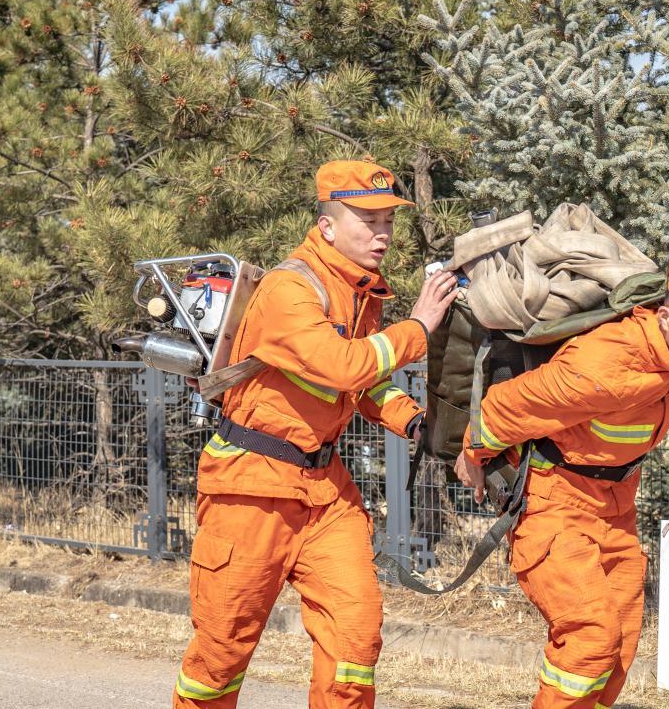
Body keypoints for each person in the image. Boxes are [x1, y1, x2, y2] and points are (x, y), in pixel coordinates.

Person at [174, 160, 458, 708]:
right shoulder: (291, 288)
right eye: (368, 220)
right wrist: (420, 327)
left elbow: (365, 383)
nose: (382, 234)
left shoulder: (361, 292)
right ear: (327, 226)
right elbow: (342, 366)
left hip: (325, 491)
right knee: (220, 657)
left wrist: (415, 422)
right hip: (250, 490)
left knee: (356, 639)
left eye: (388, 221)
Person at [454, 244, 669, 709]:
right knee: (591, 636)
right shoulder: (605, 364)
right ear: (665, 316)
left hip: (614, 508)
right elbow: (505, 407)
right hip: (554, 504)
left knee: (620, 642)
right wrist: (474, 455)